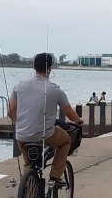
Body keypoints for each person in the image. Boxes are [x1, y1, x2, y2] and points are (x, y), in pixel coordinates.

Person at [8, 53, 83, 187]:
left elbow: (10, 111)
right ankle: (55, 177)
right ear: (50, 69)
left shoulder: (19, 86)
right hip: (45, 135)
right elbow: (70, 114)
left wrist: (19, 122)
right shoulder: (54, 89)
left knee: (28, 163)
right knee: (65, 141)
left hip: (22, 135)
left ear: (34, 67)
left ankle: (28, 188)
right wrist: (78, 120)